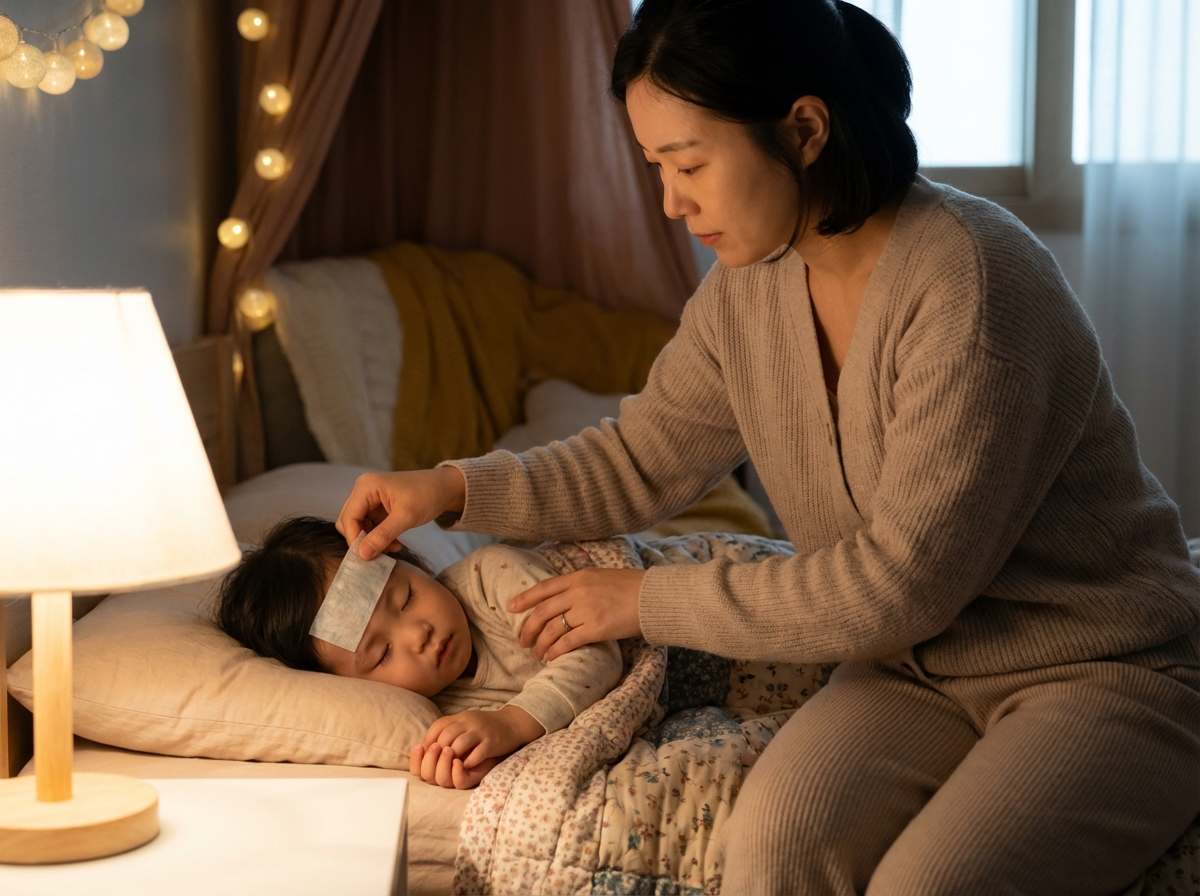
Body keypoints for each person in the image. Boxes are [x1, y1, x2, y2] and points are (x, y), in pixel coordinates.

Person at [335, 0, 1200, 892]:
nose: (672, 203)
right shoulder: (748, 289)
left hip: (1097, 666)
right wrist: (445, 488)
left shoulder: (971, 285)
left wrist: (646, 600)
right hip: (912, 673)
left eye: (690, 163)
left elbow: (898, 587)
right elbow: (640, 459)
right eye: (655, 168)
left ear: (804, 129)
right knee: (774, 850)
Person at [215, 516, 622, 790]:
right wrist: (487, 759)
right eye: (382, 653)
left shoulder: (491, 577)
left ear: (408, 559)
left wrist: (512, 724)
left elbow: (596, 650)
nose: (418, 634)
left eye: (406, 597)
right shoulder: (430, 711)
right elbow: (540, 734)